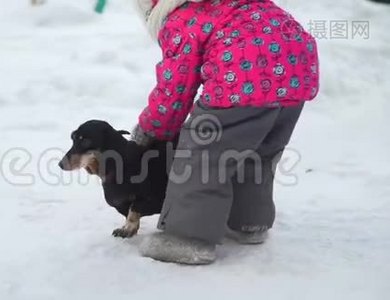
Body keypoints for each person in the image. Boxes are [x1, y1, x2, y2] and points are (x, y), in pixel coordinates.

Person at [131, 0, 319, 264]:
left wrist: (151, 128)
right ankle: (249, 222)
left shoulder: (183, 18)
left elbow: (175, 88)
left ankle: (187, 239)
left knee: (203, 155)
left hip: (245, 75)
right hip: (297, 69)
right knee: (256, 153)